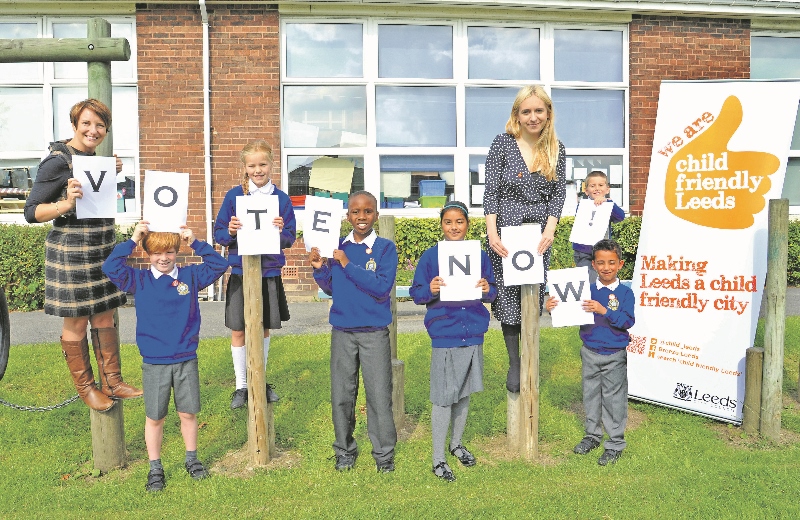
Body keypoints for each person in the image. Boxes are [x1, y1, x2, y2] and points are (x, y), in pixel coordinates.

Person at [23, 98, 141, 411]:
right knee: (75, 324)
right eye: (86, 123)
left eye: (100, 125)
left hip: (101, 249)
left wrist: (112, 173)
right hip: (71, 252)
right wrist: (66, 203)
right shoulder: (57, 161)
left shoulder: (94, 159)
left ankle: (112, 381)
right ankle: (87, 389)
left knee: (104, 315)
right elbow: (31, 212)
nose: (93, 130)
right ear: (74, 125)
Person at [102, 222, 228, 492]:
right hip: (155, 361)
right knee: (155, 417)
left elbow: (218, 264)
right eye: (157, 253)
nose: (163, 258)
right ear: (147, 254)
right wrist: (134, 238)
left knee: (188, 413)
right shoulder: (139, 280)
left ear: (177, 252)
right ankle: (155, 467)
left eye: (169, 252)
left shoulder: (191, 277)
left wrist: (195, 241)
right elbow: (110, 267)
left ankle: (192, 459)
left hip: (185, 358)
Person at [483, 85, 567, 393]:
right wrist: (492, 233)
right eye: (526, 111)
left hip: (539, 234)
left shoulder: (557, 148)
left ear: (548, 113)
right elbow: (490, 191)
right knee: (508, 297)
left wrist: (550, 229)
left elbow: (559, 194)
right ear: (517, 114)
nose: (533, 117)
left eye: (538, 111)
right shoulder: (502, 144)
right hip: (506, 228)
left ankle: (531, 353)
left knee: (532, 293)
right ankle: (514, 362)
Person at [309, 190, 397, 473]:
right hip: (343, 331)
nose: (362, 217)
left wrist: (347, 263)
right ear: (347, 216)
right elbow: (333, 287)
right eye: (356, 212)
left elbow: (381, 287)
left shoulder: (385, 248)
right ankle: (344, 450)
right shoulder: (336, 246)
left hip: (374, 333)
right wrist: (320, 269)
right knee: (342, 395)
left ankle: (384, 455)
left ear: (376, 215)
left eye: (368, 211)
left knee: (378, 395)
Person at [409, 201, 496, 482]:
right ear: (441, 225)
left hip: (472, 331)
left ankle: (456, 443)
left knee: (464, 392)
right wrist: (430, 289)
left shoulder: (479, 255)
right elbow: (417, 292)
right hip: (445, 332)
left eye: (459, 221)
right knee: (444, 397)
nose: (454, 227)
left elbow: (491, 291)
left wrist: (487, 289)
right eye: (448, 222)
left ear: (467, 224)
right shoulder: (432, 256)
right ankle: (438, 459)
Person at [214, 140, 296, 409]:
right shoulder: (234, 196)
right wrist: (232, 231)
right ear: (245, 167)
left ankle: (259, 379)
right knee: (239, 328)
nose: (258, 170)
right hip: (240, 271)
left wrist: (281, 230)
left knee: (263, 328)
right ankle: (241, 385)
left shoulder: (281, 199)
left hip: (268, 271)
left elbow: (290, 238)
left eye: (263, 164)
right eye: (252, 165)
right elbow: (219, 234)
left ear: (272, 164)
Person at [545, 238, 634, 466]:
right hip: (589, 351)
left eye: (611, 262)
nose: (606, 267)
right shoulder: (586, 290)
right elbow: (567, 312)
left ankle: (614, 443)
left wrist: (604, 310)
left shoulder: (625, 293)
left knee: (614, 399)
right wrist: (553, 307)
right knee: (591, 395)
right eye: (601, 263)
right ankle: (592, 435)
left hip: (614, 354)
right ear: (593, 265)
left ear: (620, 264)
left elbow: (627, 321)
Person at [572, 170, 625, 284]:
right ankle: (590, 300)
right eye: (592, 186)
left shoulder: (609, 206)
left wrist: (608, 203)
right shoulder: (582, 206)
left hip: (604, 251)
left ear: (607, 189)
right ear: (586, 191)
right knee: (588, 281)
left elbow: (620, 217)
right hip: (584, 251)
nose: (597, 188)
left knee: (605, 278)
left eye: (601, 185)